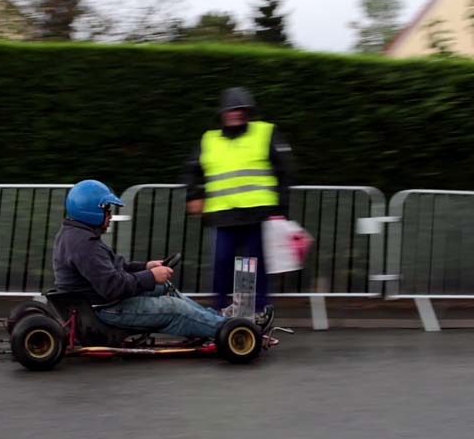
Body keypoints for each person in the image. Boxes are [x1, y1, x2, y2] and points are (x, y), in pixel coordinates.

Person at [53, 179, 273, 339]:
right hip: (104, 308)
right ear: (93, 211)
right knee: (173, 308)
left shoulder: (78, 235)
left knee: (164, 287)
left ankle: (219, 322)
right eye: (108, 211)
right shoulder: (84, 245)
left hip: (100, 301)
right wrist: (149, 277)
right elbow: (112, 287)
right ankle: (235, 331)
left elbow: (116, 267)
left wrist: (147, 267)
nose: (110, 216)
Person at [184, 87, 295, 314]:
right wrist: (194, 195)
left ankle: (256, 311)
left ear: (248, 112)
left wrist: (281, 209)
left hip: (257, 214)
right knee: (223, 263)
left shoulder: (265, 132)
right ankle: (220, 311)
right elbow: (190, 170)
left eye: (240, 109)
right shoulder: (210, 139)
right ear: (222, 113)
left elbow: (286, 171)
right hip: (223, 215)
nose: (235, 114)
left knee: (251, 267)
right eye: (230, 110)